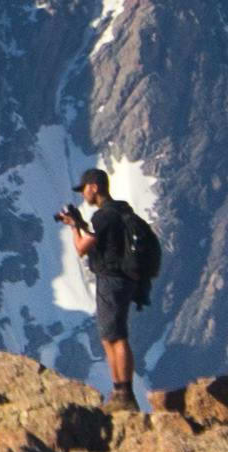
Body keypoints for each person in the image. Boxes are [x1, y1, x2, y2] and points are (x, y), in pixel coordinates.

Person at [64, 168, 160, 412]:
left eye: (85, 188)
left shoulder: (104, 216)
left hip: (111, 280)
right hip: (124, 280)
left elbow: (82, 248)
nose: (83, 193)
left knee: (115, 336)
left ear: (94, 187)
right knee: (111, 334)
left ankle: (124, 393)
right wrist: (82, 224)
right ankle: (120, 390)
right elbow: (105, 241)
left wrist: (74, 228)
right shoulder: (120, 211)